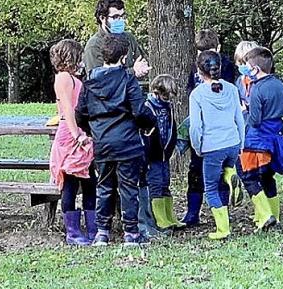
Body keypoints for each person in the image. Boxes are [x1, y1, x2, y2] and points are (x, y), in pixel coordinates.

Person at [75, 33, 156, 246]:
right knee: (128, 187)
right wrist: (149, 124)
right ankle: (131, 232)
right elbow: (139, 110)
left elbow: (80, 113)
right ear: (124, 56)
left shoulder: (90, 80)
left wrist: (92, 131)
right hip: (127, 143)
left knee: (104, 186)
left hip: (102, 143)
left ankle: (102, 232)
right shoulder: (127, 78)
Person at [188, 51, 245, 240]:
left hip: (212, 146)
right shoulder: (231, 89)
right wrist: (241, 144)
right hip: (232, 143)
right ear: (219, 68)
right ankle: (231, 175)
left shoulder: (197, 94)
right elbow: (239, 118)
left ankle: (223, 229)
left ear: (199, 70)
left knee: (211, 188)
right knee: (226, 172)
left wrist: (197, 146)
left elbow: (195, 126)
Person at [182, 29, 237, 226]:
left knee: (208, 172)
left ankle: (212, 214)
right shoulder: (198, 71)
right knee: (204, 172)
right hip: (221, 133)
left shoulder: (225, 68)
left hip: (210, 133)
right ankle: (196, 213)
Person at [239, 46, 283, 230]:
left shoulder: (256, 89)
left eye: (247, 66)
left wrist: (245, 110)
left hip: (256, 141)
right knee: (268, 177)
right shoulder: (279, 84)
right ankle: (275, 215)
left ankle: (265, 215)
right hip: (275, 137)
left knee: (249, 177)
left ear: (255, 69)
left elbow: (254, 120)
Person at [49, 39, 97, 245]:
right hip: (71, 136)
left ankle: (93, 228)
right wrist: (77, 134)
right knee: (70, 183)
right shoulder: (63, 78)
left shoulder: (73, 78)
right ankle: (73, 232)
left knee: (89, 182)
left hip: (81, 131)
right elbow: (68, 109)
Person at [139, 74, 184, 232]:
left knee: (166, 184)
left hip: (165, 153)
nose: (168, 99)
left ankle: (170, 216)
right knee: (156, 185)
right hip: (152, 156)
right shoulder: (147, 106)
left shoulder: (168, 107)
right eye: (165, 95)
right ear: (157, 92)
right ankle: (159, 219)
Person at [83, 0, 149, 78]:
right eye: (115, 17)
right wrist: (132, 71)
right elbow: (98, 79)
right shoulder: (94, 45)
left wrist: (143, 68)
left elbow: (142, 61)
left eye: (122, 16)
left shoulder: (129, 37)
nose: (120, 20)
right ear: (102, 18)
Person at [234, 40, 259, 115]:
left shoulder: (260, 82)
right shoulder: (239, 81)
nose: (243, 66)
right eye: (240, 63)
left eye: (245, 63)